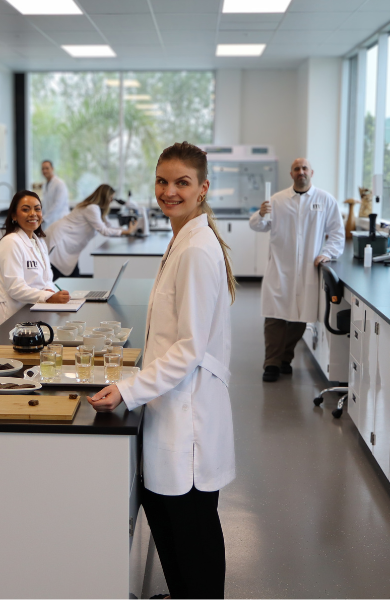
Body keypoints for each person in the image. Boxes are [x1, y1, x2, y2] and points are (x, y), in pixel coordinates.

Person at [89, 142, 235, 599]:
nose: (169, 191)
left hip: (185, 414)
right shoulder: (185, 236)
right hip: (173, 402)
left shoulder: (195, 250)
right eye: (162, 181)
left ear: (202, 188)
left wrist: (127, 389)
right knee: (173, 523)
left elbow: (187, 348)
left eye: (182, 182)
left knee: (191, 534)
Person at [249, 158, 344, 382]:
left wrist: (327, 253)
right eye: (296, 169)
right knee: (274, 316)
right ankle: (271, 363)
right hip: (281, 268)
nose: (301, 172)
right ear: (291, 174)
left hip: (308, 269)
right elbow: (257, 226)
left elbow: (337, 233)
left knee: (300, 317)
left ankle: (285, 359)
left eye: (304, 168)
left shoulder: (325, 200)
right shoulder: (277, 200)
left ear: (312, 172)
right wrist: (261, 214)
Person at [0, 190, 70, 337]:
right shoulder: (11, 242)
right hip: (10, 320)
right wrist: (47, 297)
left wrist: (54, 293)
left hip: (31, 316)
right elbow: (15, 289)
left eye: (37, 209)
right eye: (25, 209)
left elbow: (46, 280)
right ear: (14, 215)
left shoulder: (39, 241)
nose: (33, 213)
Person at [46, 183, 138, 279]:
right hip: (60, 239)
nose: (111, 201)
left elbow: (109, 226)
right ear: (104, 197)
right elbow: (104, 231)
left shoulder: (97, 209)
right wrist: (127, 232)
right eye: (111, 198)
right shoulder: (92, 208)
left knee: (72, 275)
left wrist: (128, 230)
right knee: (56, 274)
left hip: (68, 244)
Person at [40, 160, 69, 226]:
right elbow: (45, 204)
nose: (44, 171)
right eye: (42, 169)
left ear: (52, 169)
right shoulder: (45, 185)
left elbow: (58, 204)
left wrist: (44, 218)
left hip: (60, 219)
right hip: (50, 221)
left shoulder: (60, 183)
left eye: (47, 168)